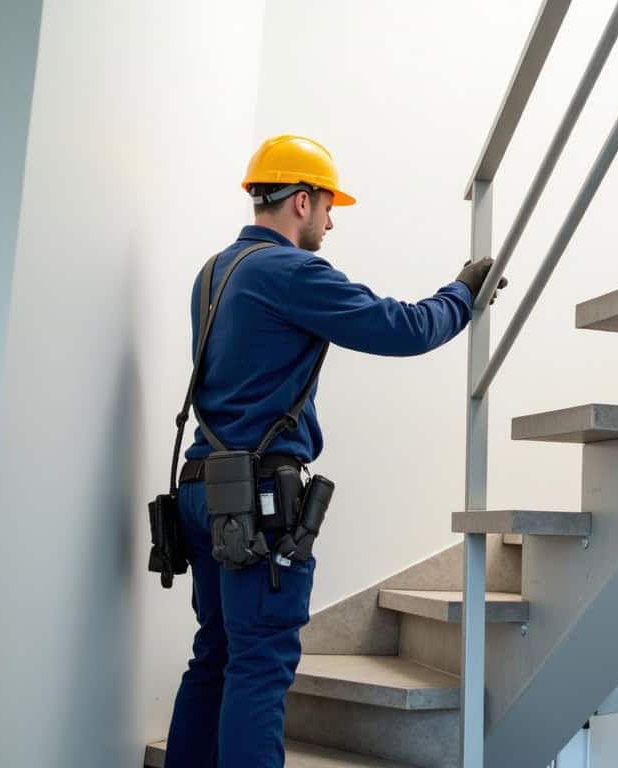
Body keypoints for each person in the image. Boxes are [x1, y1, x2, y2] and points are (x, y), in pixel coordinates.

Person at [163, 134, 505, 768]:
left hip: (201, 490)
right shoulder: (291, 271)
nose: (330, 219)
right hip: (256, 503)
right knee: (260, 664)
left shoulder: (213, 272)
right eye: (326, 205)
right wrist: (461, 293)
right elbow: (401, 328)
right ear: (299, 200)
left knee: (214, 652)